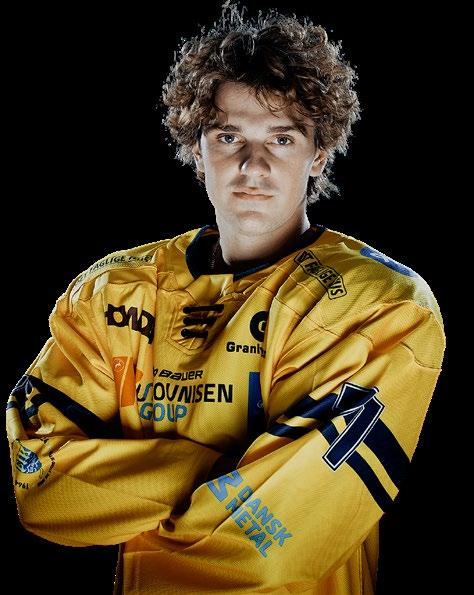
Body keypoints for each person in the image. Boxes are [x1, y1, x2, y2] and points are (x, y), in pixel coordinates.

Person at [6, 3, 445, 594]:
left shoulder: (381, 306)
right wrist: (224, 470)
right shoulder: (110, 292)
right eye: (229, 136)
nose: (253, 165)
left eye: (282, 139)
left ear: (318, 154)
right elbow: (43, 491)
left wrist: (130, 485)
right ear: (197, 150)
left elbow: (271, 548)